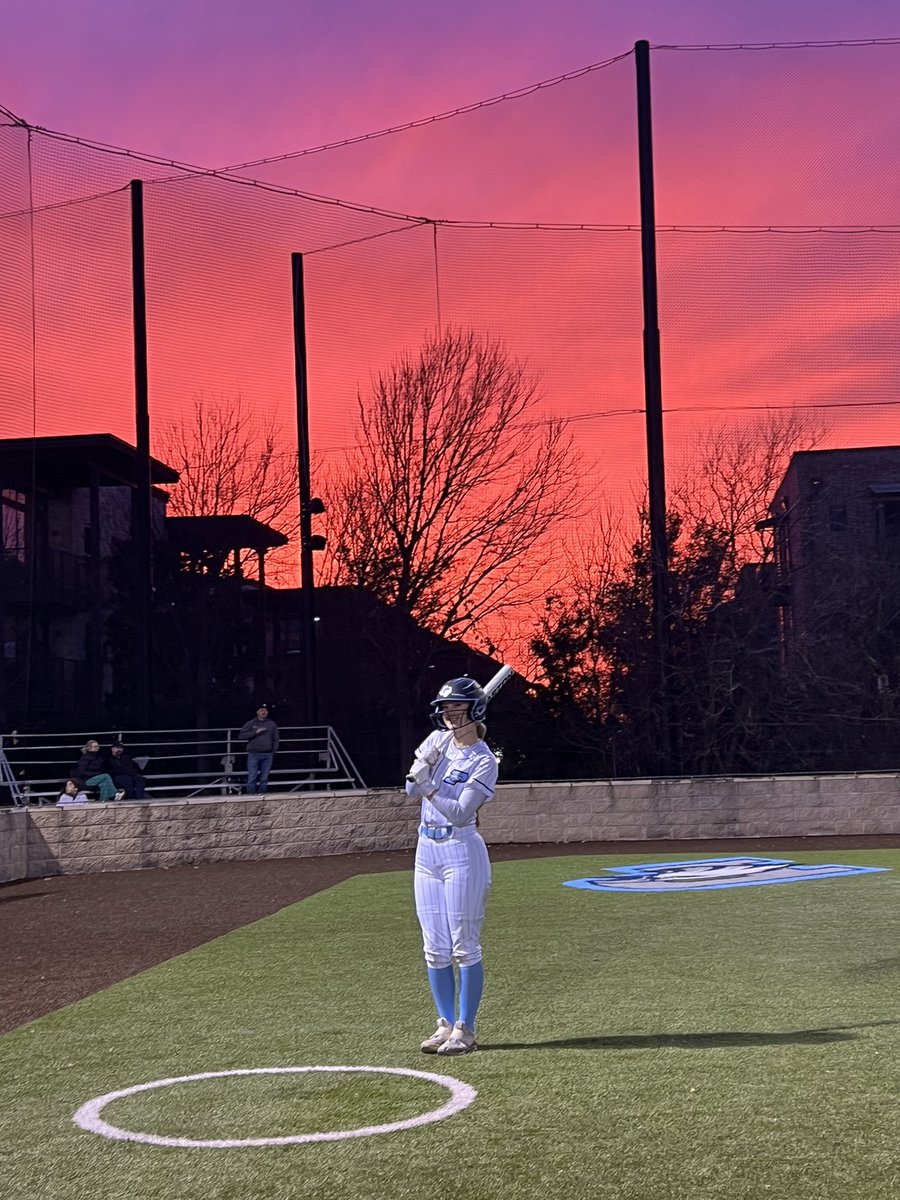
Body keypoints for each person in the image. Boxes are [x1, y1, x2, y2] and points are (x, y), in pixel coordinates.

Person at [405, 676, 499, 1056]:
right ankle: (444, 1023)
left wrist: (429, 786)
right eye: (445, 708)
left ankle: (467, 1028)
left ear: (474, 710)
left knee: (464, 945)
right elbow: (411, 788)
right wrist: (421, 765)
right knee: (434, 947)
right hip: (425, 850)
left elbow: (461, 813)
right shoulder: (436, 742)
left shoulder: (484, 759)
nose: (449, 714)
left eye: (457, 708)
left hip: (461, 852)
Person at [239, 704, 279, 795]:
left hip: (268, 754)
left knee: (264, 777)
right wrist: (255, 732)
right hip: (254, 754)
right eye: (261, 710)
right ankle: (251, 796)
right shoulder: (251, 723)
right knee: (252, 776)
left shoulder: (272, 724)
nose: (264, 712)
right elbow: (241, 736)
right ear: (257, 712)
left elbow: (276, 739)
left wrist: (273, 751)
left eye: (265, 710)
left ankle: (262, 795)